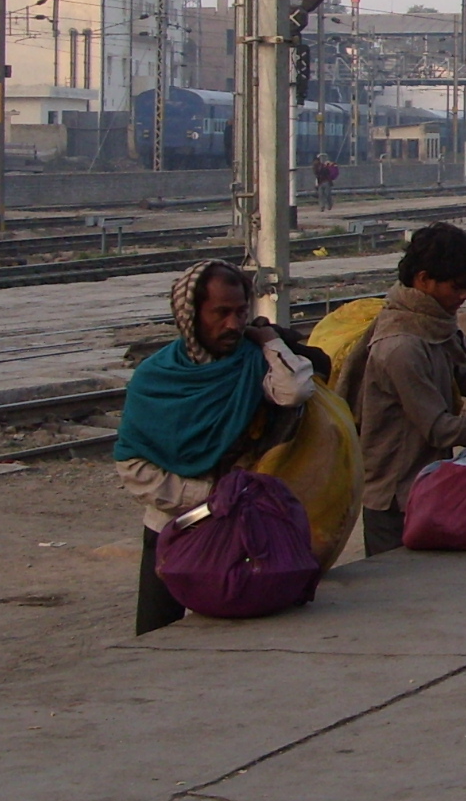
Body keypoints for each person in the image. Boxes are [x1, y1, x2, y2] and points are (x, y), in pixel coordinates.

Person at [112, 260, 317, 635]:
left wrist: (270, 340)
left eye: (241, 313)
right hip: (172, 526)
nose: (233, 325)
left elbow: (295, 390)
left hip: (245, 532)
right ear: (190, 315)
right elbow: (132, 465)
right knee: (158, 638)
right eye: (221, 313)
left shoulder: (251, 365)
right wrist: (207, 497)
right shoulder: (154, 379)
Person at [340, 222, 466, 554]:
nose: (464, 296)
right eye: (456, 287)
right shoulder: (401, 347)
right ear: (423, 280)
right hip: (396, 498)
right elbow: (438, 429)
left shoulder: (433, 324)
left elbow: (461, 376)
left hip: (429, 483)